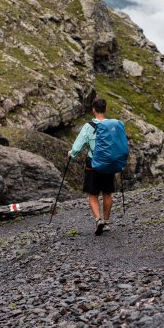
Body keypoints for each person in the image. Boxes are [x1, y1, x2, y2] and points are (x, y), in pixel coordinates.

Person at [69, 98, 116, 236]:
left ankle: (98, 219)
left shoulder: (88, 126)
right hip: (109, 163)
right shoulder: (113, 125)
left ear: (93, 110)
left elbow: (78, 146)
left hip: (93, 163)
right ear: (105, 109)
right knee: (107, 193)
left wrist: (71, 154)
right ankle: (106, 221)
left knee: (93, 194)